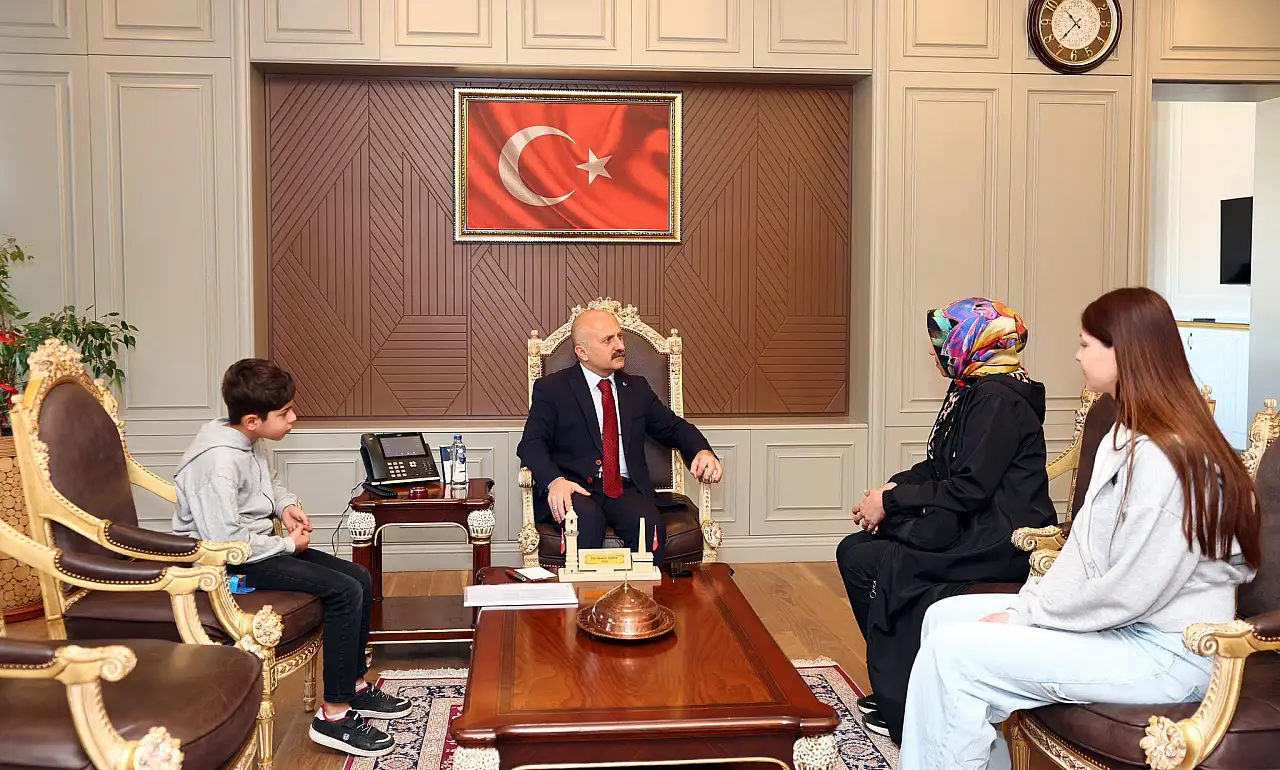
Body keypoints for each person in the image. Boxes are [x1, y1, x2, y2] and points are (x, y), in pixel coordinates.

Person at [898, 287, 1260, 770]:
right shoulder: (1125, 433)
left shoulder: (1169, 458)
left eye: (1086, 344)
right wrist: (1028, 607)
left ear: (1124, 352)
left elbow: (1130, 592)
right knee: (942, 617)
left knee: (954, 653)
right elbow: (1081, 553)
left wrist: (1028, 616)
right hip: (1121, 628)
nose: (1077, 354)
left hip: (1167, 654)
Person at [836, 297, 1056, 741]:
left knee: (881, 563)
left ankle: (910, 703)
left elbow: (969, 488)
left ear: (973, 341)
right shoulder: (973, 387)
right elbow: (941, 466)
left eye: (942, 340)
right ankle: (903, 687)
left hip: (1000, 535)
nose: (935, 350)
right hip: (972, 520)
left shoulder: (995, 399)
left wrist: (892, 502)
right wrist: (890, 490)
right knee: (855, 550)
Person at [172, 359, 411, 759]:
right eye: (284, 413)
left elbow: (269, 485)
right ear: (253, 420)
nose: (293, 419)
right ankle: (333, 716)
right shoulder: (217, 463)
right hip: (226, 565)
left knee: (359, 577)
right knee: (344, 591)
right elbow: (224, 542)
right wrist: (287, 546)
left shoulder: (246, 440)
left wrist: (284, 507)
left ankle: (352, 686)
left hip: (255, 549)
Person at [517, 308, 722, 565]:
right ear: (582, 352)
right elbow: (531, 444)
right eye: (608, 340)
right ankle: (582, 591)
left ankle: (643, 591)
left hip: (624, 488)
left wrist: (702, 450)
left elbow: (672, 428)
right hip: (576, 487)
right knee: (585, 522)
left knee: (647, 523)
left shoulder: (636, 388)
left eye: (620, 337)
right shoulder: (553, 389)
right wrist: (555, 481)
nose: (620, 346)